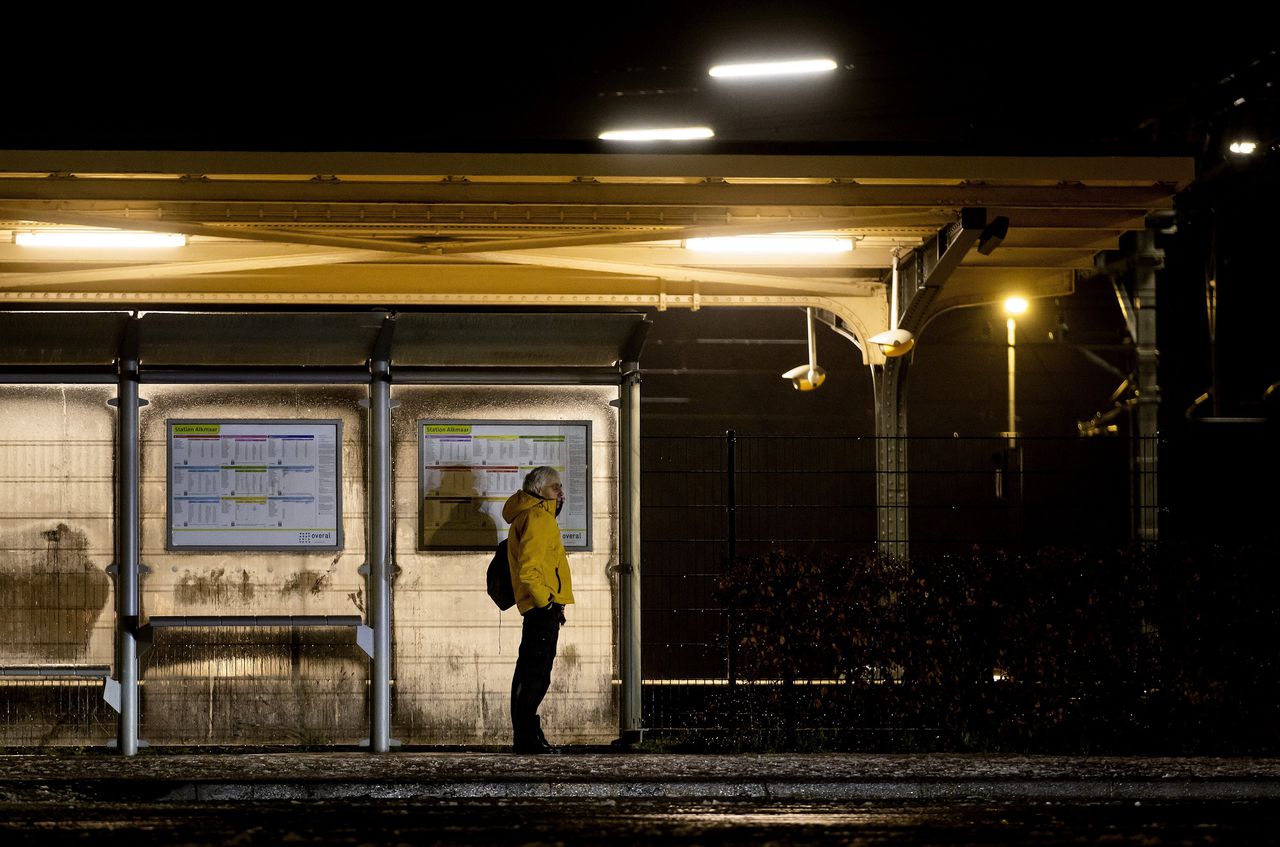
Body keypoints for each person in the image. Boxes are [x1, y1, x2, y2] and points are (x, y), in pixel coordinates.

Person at [503, 466, 574, 754]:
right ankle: (527, 739)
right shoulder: (537, 518)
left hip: (540, 606)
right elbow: (529, 570)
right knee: (536, 674)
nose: (561, 492)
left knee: (529, 671)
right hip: (540, 606)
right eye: (555, 487)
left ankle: (527, 735)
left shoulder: (535, 516)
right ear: (539, 489)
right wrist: (546, 602)